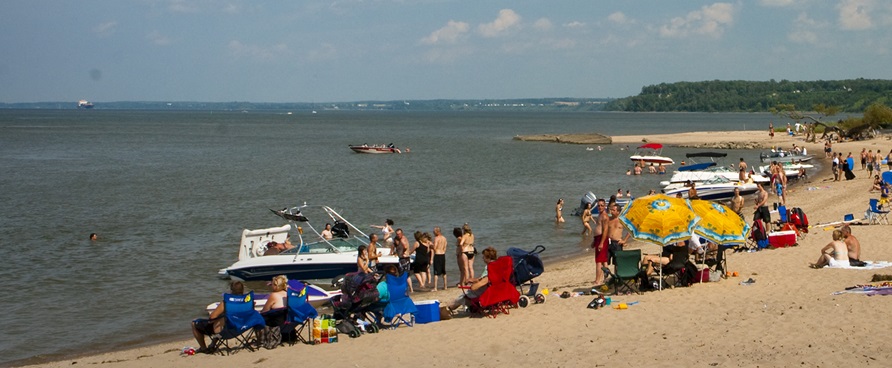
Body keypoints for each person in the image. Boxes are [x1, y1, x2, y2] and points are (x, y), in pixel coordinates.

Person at [191, 281, 245, 354]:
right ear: (243, 290)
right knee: (222, 319)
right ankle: (213, 343)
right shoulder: (247, 301)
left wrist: (212, 320)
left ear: (231, 291)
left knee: (194, 323)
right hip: (240, 328)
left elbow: (212, 317)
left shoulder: (226, 302)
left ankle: (203, 348)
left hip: (227, 331)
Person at [446, 247, 498, 312]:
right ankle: (470, 307)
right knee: (466, 294)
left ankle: (450, 308)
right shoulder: (497, 265)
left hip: (486, 290)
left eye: (484, 257)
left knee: (465, 296)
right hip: (495, 288)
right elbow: (484, 278)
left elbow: (486, 279)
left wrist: (474, 285)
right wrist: (473, 280)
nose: (482, 258)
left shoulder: (489, 267)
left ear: (488, 258)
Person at [592, 199, 609, 286]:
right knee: (603, 260)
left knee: (599, 261)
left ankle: (597, 280)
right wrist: (594, 241)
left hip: (602, 239)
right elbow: (598, 227)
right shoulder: (599, 215)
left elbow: (605, 230)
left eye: (602, 205)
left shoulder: (605, 216)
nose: (600, 207)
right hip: (598, 239)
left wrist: (601, 243)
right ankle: (605, 279)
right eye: (598, 205)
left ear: (605, 206)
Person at [431, 226, 448, 291]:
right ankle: (445, 286)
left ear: (437, 231)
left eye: (434, 231)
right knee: (444, 271)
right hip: (443, 254)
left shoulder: (436, 238)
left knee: (436, 272)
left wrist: (430, 245)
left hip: (437, 255)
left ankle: (435, 287)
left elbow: (435, 247)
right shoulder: (444, 238)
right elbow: (445, 247)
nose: (433, 232)